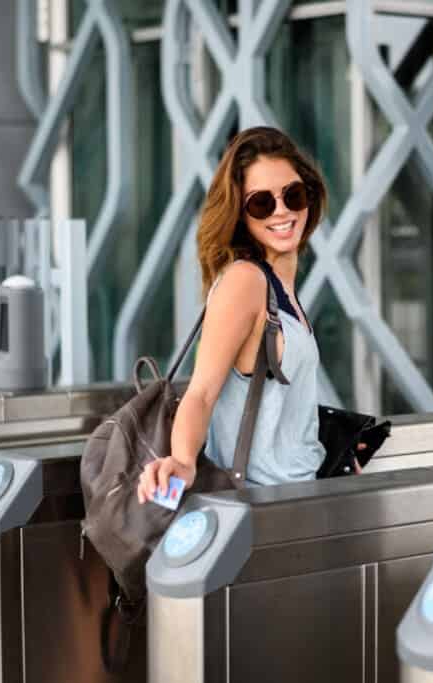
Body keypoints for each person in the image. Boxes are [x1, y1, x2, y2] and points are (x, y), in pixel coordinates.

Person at [137, 126, 357, 502]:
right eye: (261, 203)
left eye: (293, 194)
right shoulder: (246, 282)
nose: (282, 211)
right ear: (240, 214)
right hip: (263, 508)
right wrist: (183, 460)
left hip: (303, 494)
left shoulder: (280, 287)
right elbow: (202, 392)